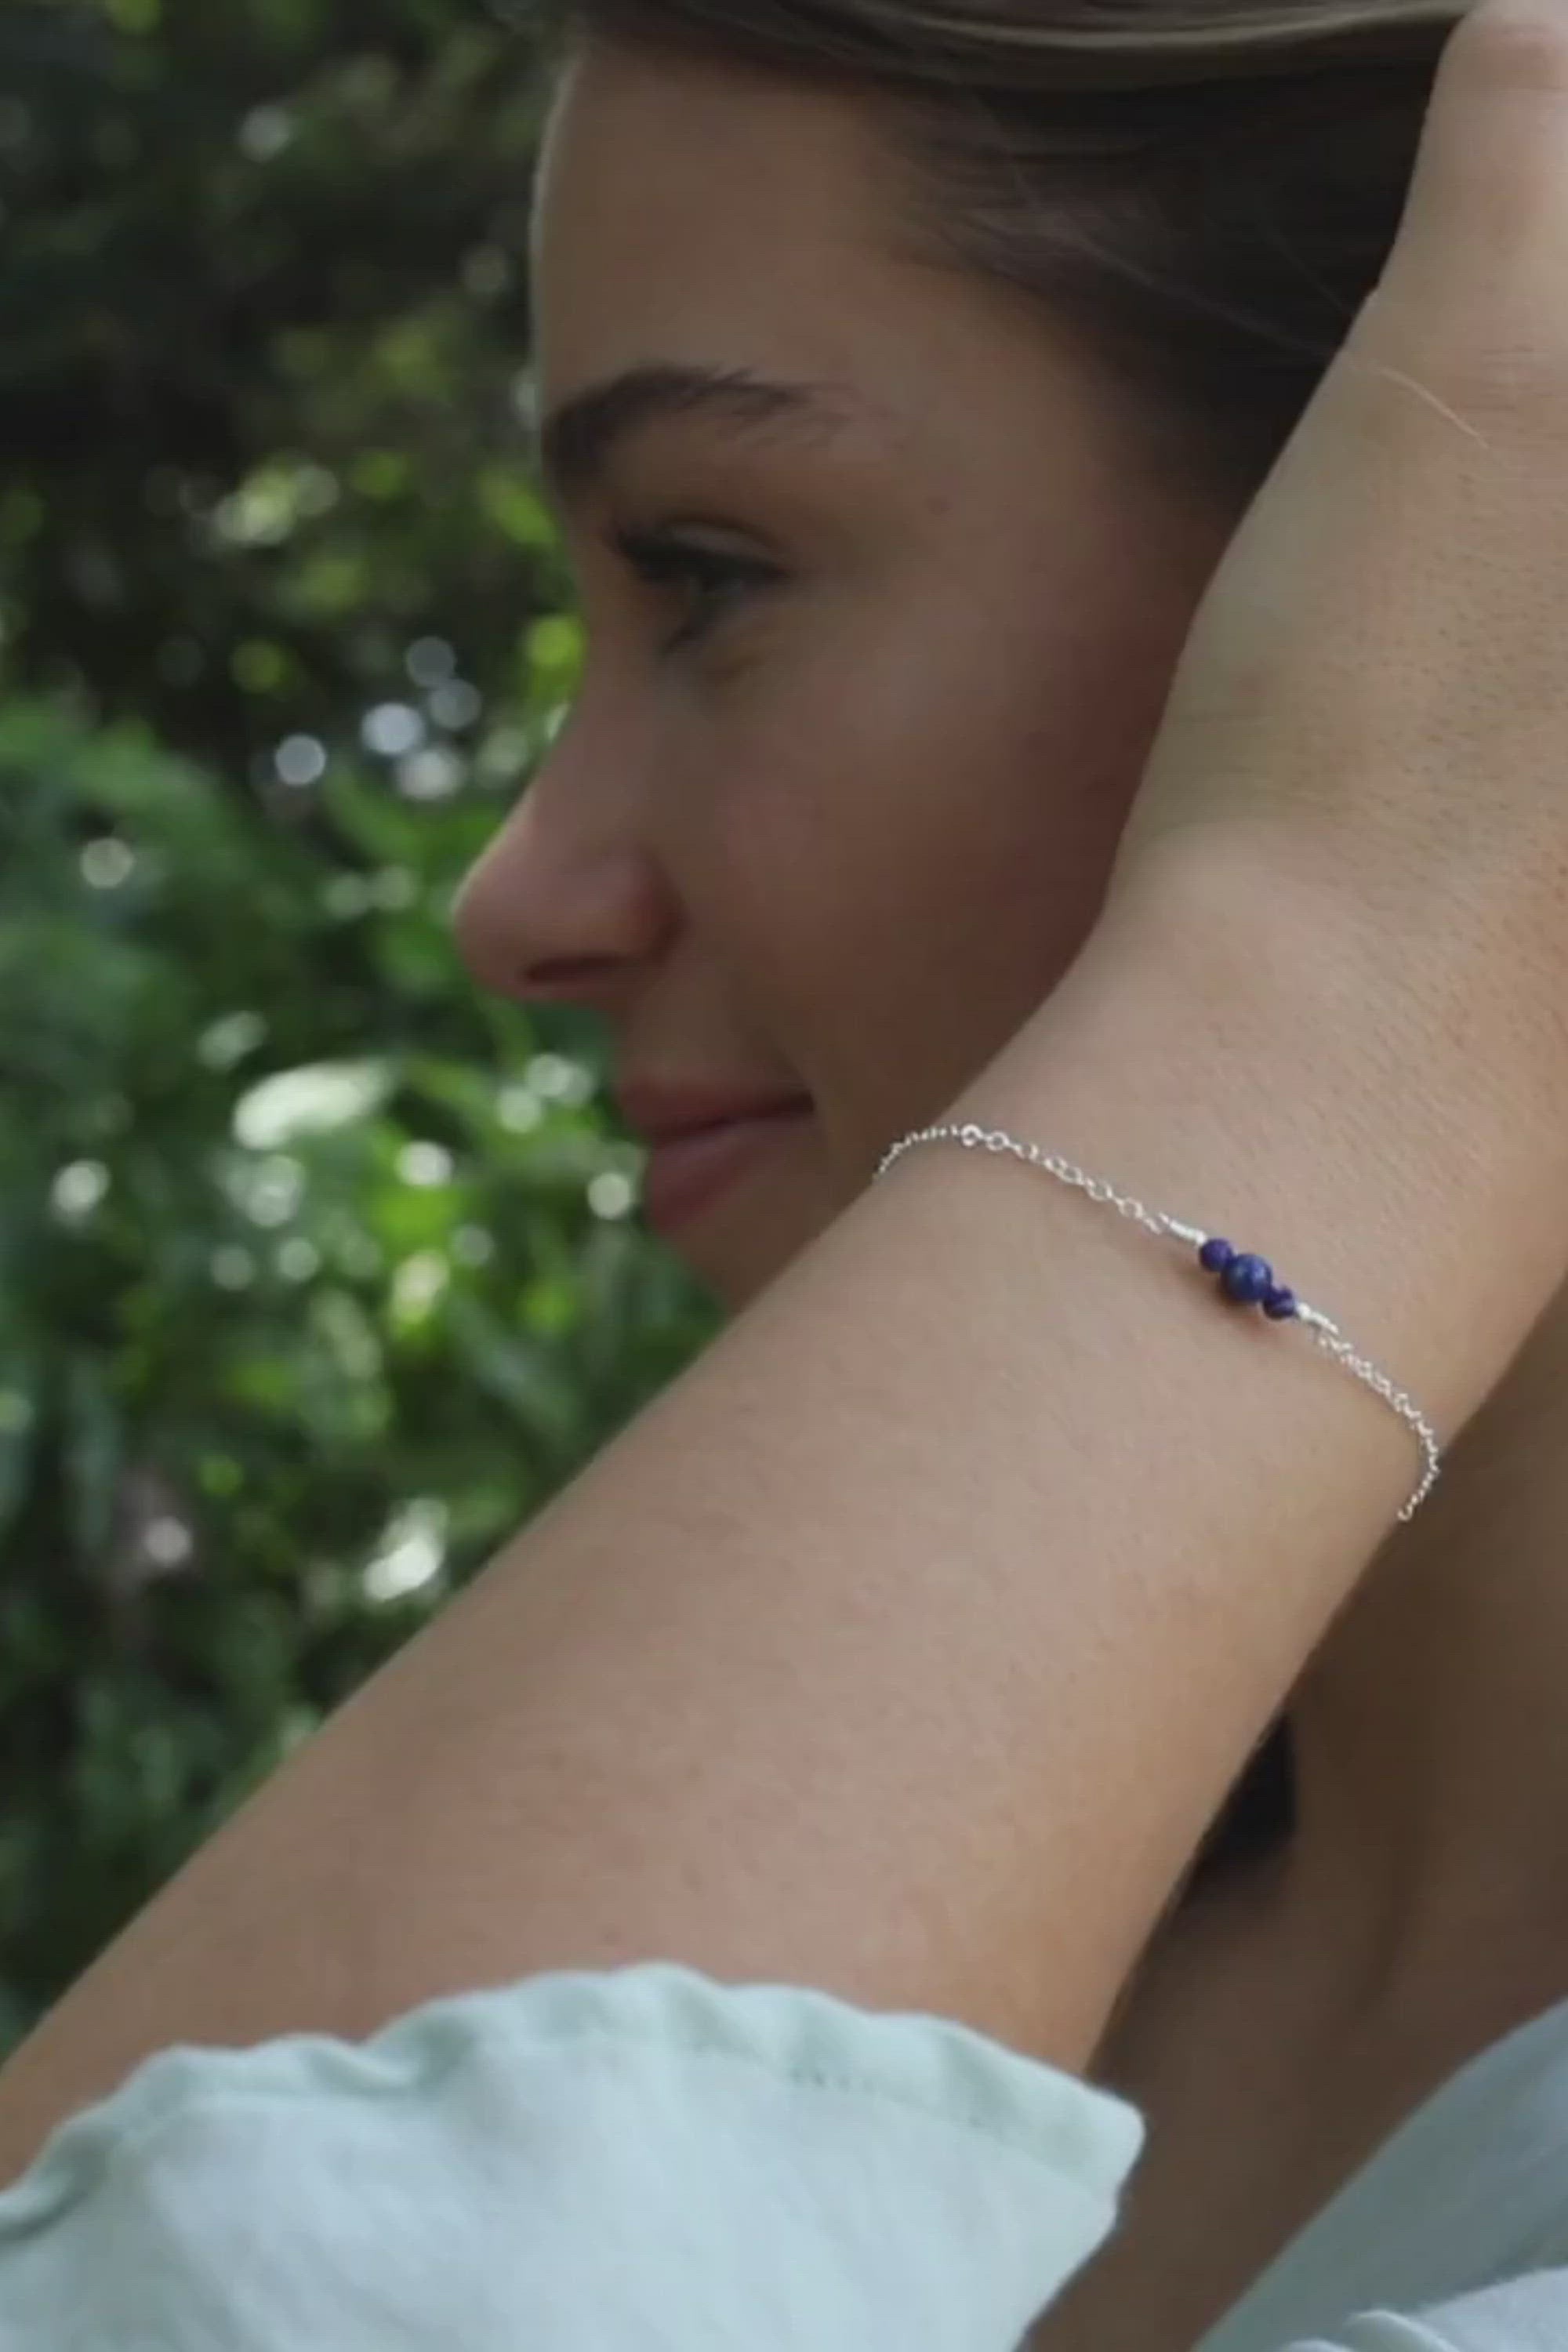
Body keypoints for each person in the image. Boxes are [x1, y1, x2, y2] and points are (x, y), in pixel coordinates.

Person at [2, 0, 1567, 2343]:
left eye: (708, 572)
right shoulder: (903, 1936)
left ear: (1410, 562)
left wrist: (1318, 972)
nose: (513, 895)